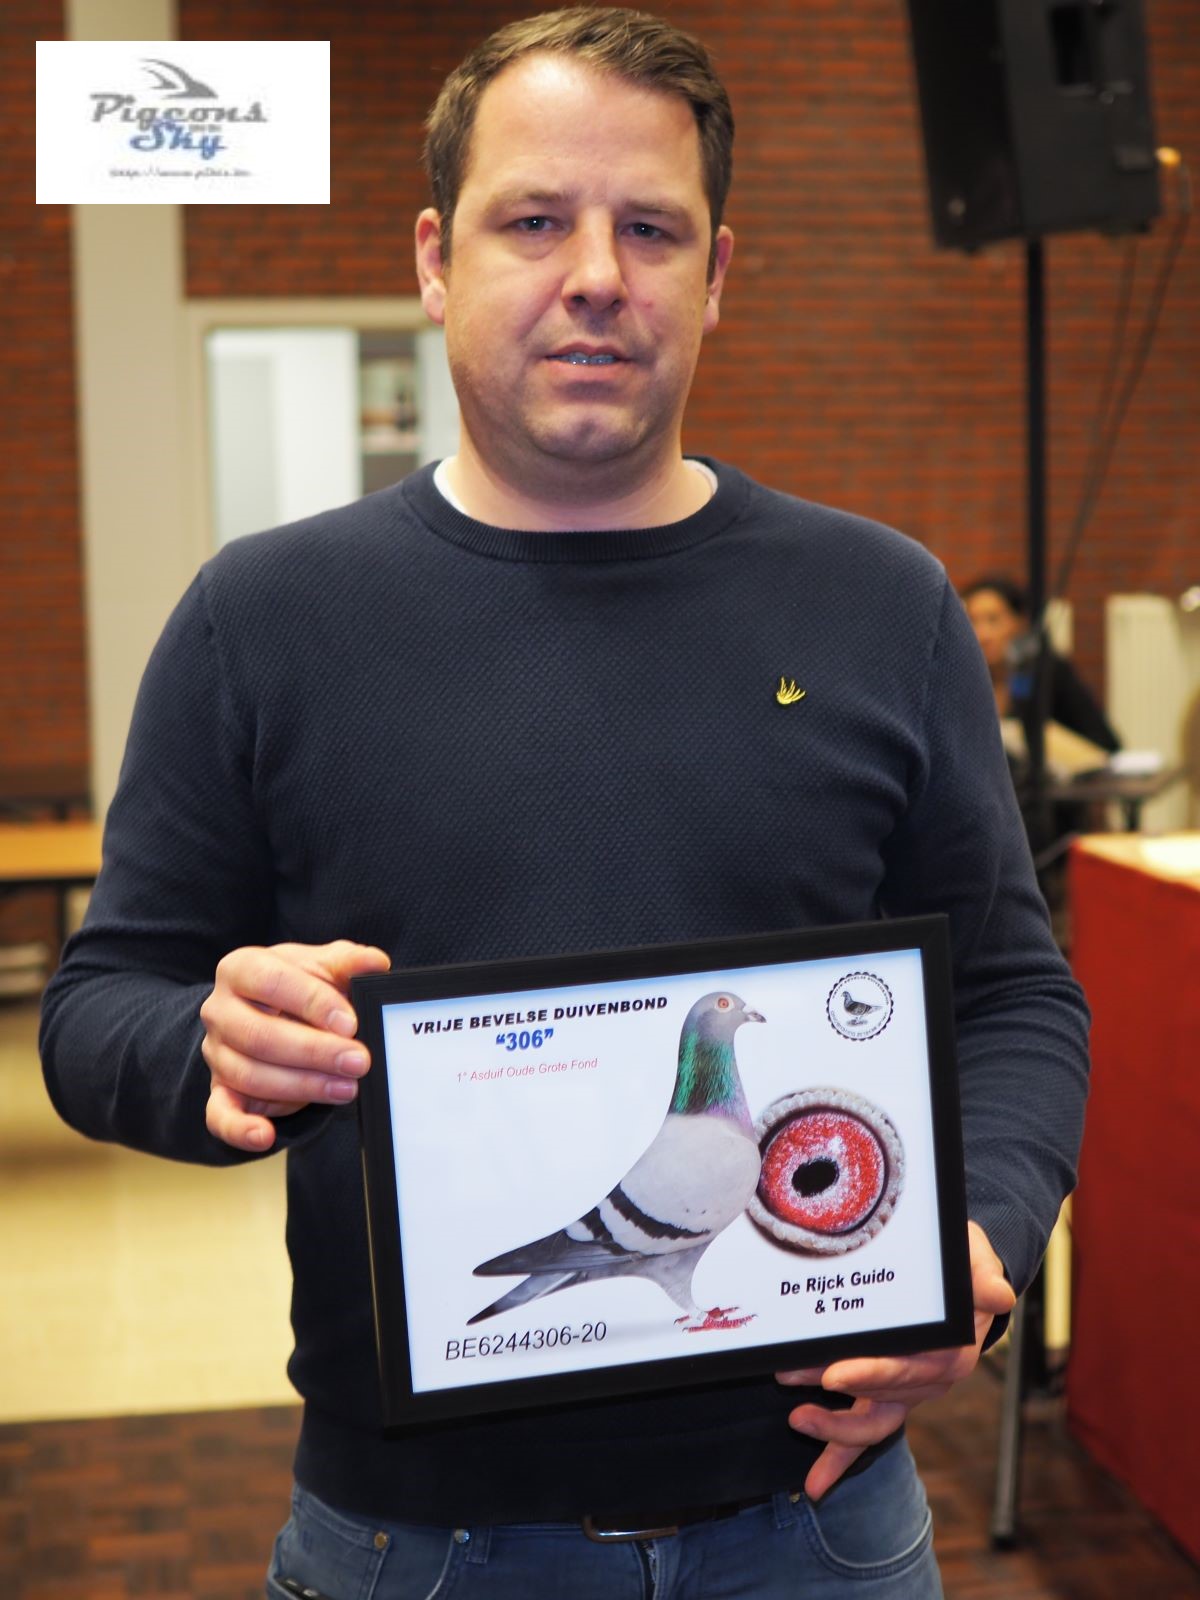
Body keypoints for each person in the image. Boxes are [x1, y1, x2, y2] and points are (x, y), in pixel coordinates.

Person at [40, 10, 1089, 1597]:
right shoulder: (260, 620)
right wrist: (212, 1044)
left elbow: (1016, 996)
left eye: (649, 229)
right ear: (435, 259)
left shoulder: (885, 606)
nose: (596, 273)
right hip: (416, 1544)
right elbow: (95, 1009)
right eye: (533, 220)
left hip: (820, 1527)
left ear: (715, 274)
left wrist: (984, 1240)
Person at [961, 574, 1121, 756]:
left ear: (1020, 622)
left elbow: (1105, 742)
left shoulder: (1048, 671)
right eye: (972, 621)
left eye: (993, 620)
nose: (982, 634)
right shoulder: (962, 679)